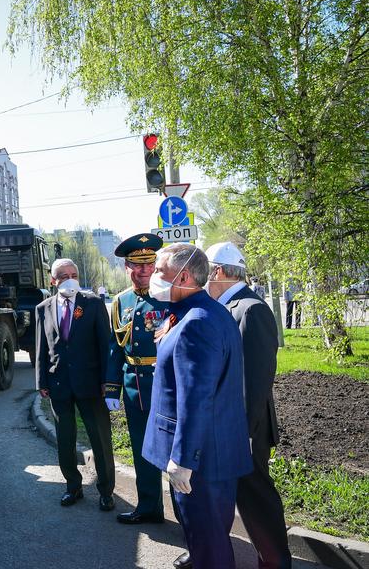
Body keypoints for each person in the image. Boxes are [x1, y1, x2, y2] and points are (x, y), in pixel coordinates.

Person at [142, 243, 252, 569]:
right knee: (206, 541)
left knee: (210, 550)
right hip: (210, 454)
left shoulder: (196, 322)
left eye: (160, 272)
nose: (153, 277)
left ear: (184, 275)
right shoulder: (202, 312)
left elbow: (196, 397)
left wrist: (183, 459)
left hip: (201, 462)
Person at [196, 242, 291, 569]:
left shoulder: (250, 309)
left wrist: (240, 435)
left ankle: (276, 561)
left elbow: (254, 381)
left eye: (205, 272)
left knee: (255, 499)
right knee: (213, 496)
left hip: (242, 431)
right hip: (219, 426)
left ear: (218, 271)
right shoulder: (223, 306)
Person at [36, 258, 115, 511]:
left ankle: (105, 491)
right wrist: (41, 381)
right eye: (62, 275)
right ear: (52, 280)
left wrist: (107, 381)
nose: (69, 279)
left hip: (91, 384)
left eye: (73, 274)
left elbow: (106, 345)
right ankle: (73, 487)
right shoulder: (43, 308)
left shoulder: (92, 304)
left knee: (100, 439)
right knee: (65, 439)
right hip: (59, 383)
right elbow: (41, 348)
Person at [107, 233, 168, 526]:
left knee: (174, 453)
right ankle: (149, 507)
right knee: (143, 450)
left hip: (168, 385)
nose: (144, 270)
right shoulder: (121, 302)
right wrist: (111, 388)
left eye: (150, 264)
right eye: (137, 265)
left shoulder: (169, 295)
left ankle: (188, 518)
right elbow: (114, 349)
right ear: (126, 267)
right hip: (136, 389)